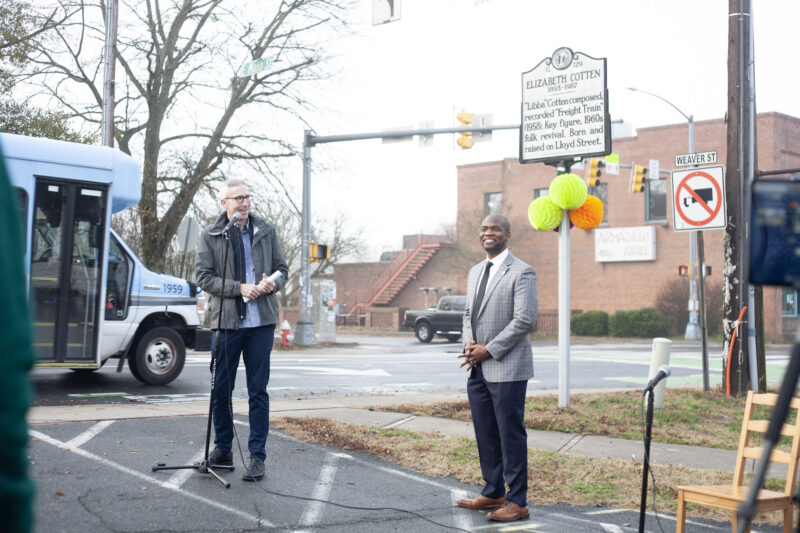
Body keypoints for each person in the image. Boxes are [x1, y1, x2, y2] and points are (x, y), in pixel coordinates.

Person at [196, 179, 288, 481]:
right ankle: (223, 449)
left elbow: (282, 269)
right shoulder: (211, 235)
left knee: (257, 391)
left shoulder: (266, 230)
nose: (245, 203)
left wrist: (272, 282)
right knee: (220, 389)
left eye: (248, 197)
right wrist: (239, 289)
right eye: (238, 198)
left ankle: (257, 457)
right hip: (227, 323)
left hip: (260, 323)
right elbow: (204, 278)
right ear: (225, 204)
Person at [456, 214, 537, 522]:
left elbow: (524, 321)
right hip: (476, 367)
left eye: (495, 229)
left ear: (507, 234)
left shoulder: (522, 272)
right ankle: (493, 490)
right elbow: (467, 314)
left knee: (510, 434)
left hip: (507, 365)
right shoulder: (475, 271)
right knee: (485, 432)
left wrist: (487, 350)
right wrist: (470, 345)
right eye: (484, 229)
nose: (488, 233)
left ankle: (518, 501)